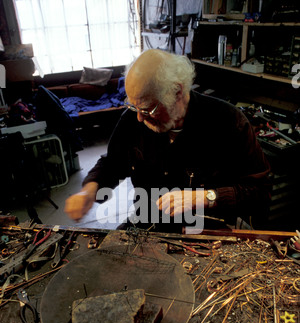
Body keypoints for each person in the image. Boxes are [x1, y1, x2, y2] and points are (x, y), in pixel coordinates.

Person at [64, 49, 271, 232]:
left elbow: (259, 192)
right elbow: (112, 163)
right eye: (135, 107)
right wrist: (89, 191)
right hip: (147, 225)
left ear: (177, 91)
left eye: (150, 108)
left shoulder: (228, 122)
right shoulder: (134, 119)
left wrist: (205, 197)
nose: (140, 117)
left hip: (204, 232)